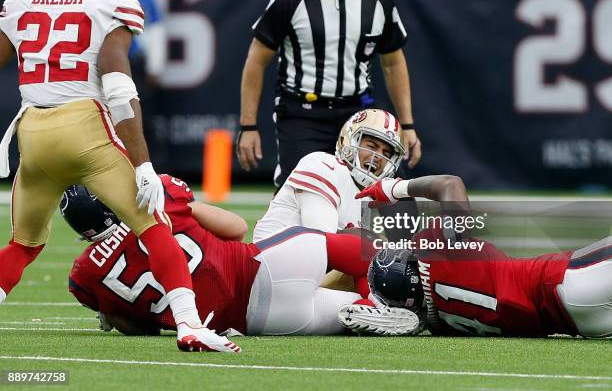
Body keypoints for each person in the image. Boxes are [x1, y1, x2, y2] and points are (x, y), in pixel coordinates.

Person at [0, 0, 236, 353]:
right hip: (84, 130)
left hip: (32, 133)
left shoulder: (20, 1)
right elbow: (119, 87)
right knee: (154, 224)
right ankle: (188, 324)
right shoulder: (111, 3)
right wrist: (143, 163)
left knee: (21, 244)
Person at [65, 174, 420, 336]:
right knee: (361, 244)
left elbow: (138, 328)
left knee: (343, 316)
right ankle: (393, 290)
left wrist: (112, 313)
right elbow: (235, 227)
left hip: (260, 322)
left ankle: (369, 309)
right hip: (264, 267)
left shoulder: (84, 276)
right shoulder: (161, 194)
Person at [237, 0, 421, 188]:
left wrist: (407, 125)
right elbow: (256, 60)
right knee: (298, 190)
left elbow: (393, 62)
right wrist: (248, 126)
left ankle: (406, 233)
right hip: (303, 112)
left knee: (386, 188)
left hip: (357, 112)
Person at [340, 175, 612, 338]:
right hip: (563, 282)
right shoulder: (437, 253)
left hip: (578, 324)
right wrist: (393, 188)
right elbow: (450, 184)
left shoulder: (439, 325)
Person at [253, 108, 405, 242]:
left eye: (386, 153)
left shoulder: (367, 198)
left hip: (302, 267)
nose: (378, 156)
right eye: (371, 146)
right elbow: (320, 240)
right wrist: (372, 243)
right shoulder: (322, 165)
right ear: (349, 141)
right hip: (271, 264)